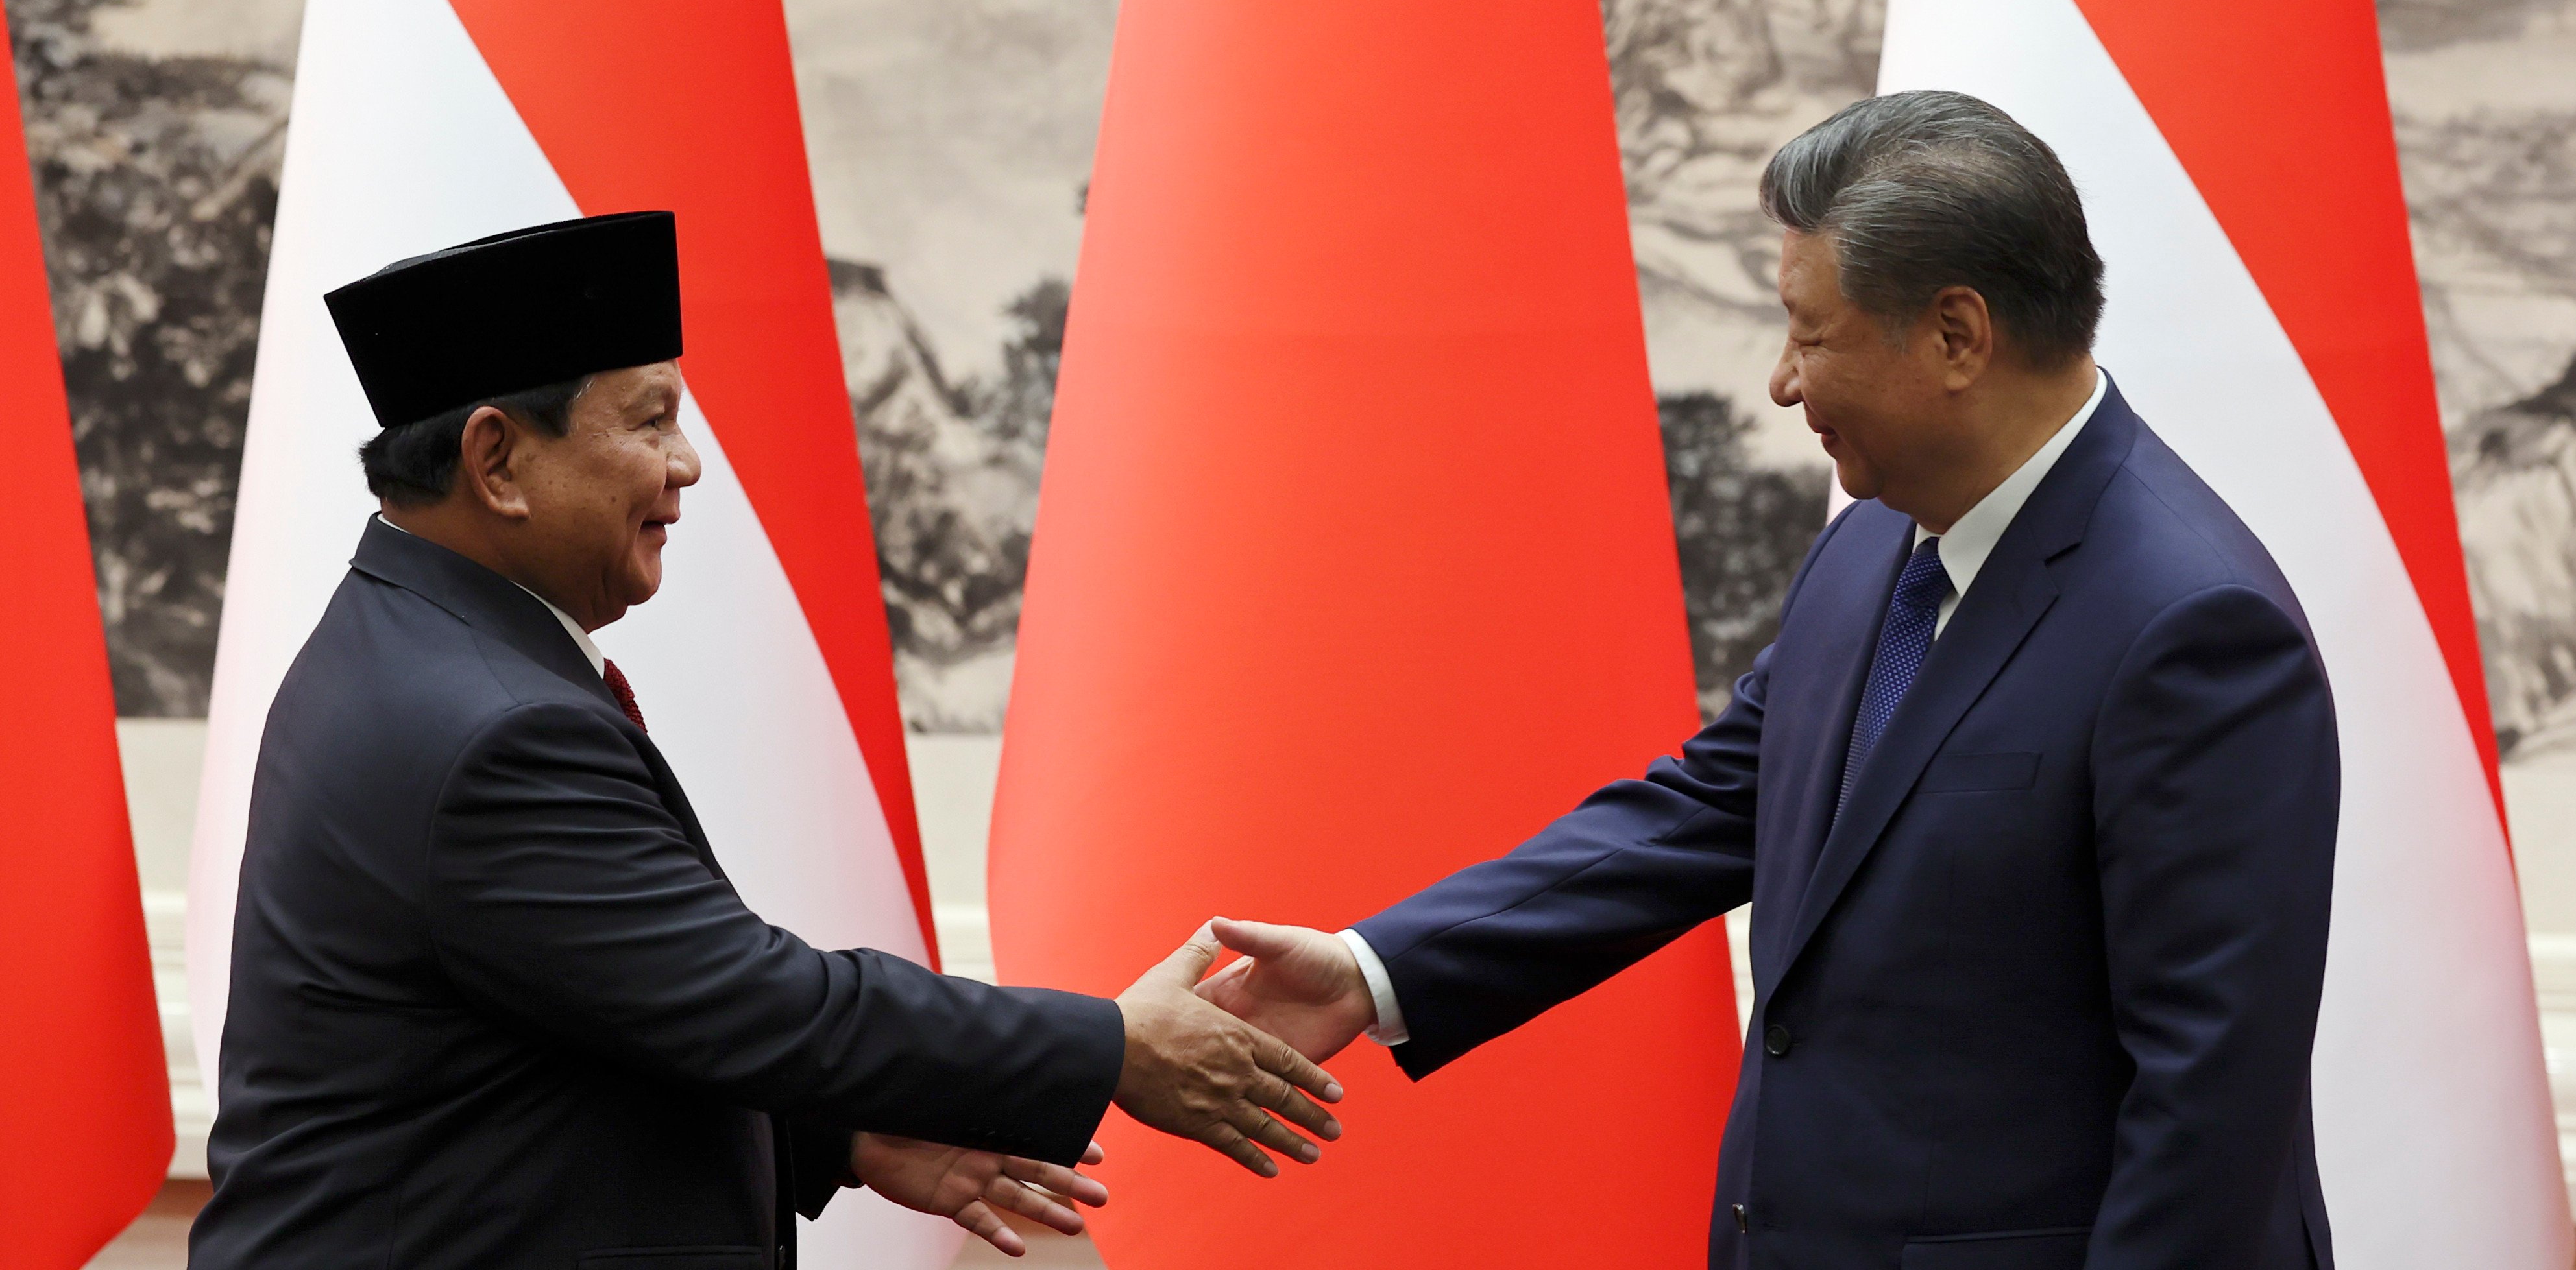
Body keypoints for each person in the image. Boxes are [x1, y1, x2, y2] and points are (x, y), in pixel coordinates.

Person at [1199, 93, 2340, 1270]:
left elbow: (2212, 1098)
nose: (1781, 384)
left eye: (1810, 333)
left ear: (1957, 336)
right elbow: (1713, 805)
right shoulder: (1871, 544)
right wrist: (1373, 970)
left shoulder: (2194, 628)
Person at [192, 212, 1341, 1269]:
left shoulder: (408, 642)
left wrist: (831, 1139)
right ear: (496, 463)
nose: (687, 467)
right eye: (650, 422)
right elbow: (755, 998)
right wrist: (1112, 1048)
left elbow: (565, 1029)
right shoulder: (493, 726)